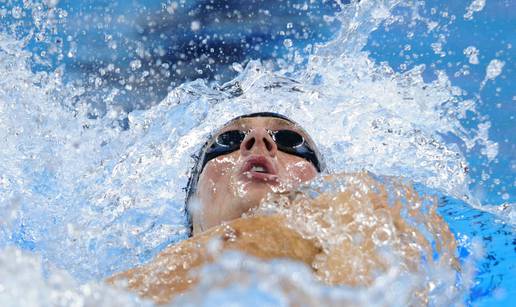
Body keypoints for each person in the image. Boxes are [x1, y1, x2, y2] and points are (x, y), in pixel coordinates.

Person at [108, 112, 458, 304]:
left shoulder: (368, 207)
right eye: (226, 142)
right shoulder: (129, 286)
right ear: (191, 206)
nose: (257, 142)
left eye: (291, 142)